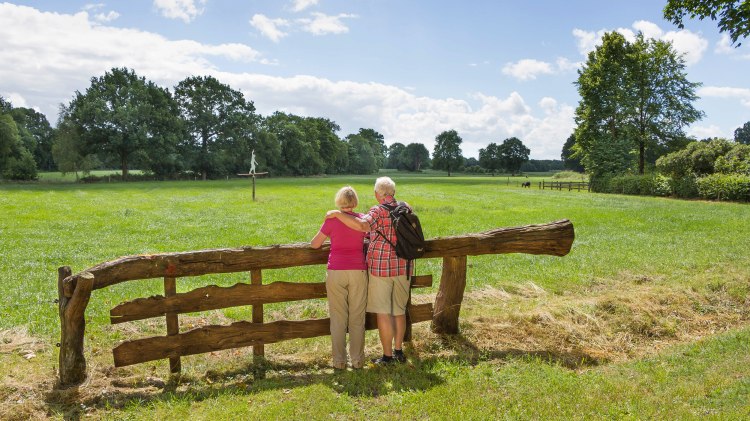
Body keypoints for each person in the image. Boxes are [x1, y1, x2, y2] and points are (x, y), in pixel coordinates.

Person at [326, 176, 410, 365]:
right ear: (393, 192)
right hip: (404, 266)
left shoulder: (378, 211)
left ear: (377, 194)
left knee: (383, 312)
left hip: (381, 267)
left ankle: (388, 356)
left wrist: (338, 215)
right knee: (399, 311)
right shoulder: (406, 207)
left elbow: (363, 225)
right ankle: (399, 352)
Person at [311, 186, 368, 369]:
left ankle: (339, 361)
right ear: (355, 202)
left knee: (338, 318)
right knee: (357, 317)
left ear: (339, 202)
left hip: (336, 271)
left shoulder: (332, 220)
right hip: (358, 271)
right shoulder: (361, 219)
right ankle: (358, 360)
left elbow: (315, 244)